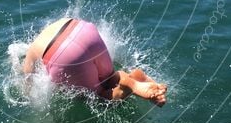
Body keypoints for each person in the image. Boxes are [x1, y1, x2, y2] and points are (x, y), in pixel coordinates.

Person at [22, 17, 168, 105]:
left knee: (99, 99)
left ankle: (128, 86)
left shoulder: (30, 56)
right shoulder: (46, 31)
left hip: (63, 54)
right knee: (109, 77)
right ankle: (133, 79)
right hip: (82, 29)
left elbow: (28, 82)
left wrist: (29, 96)